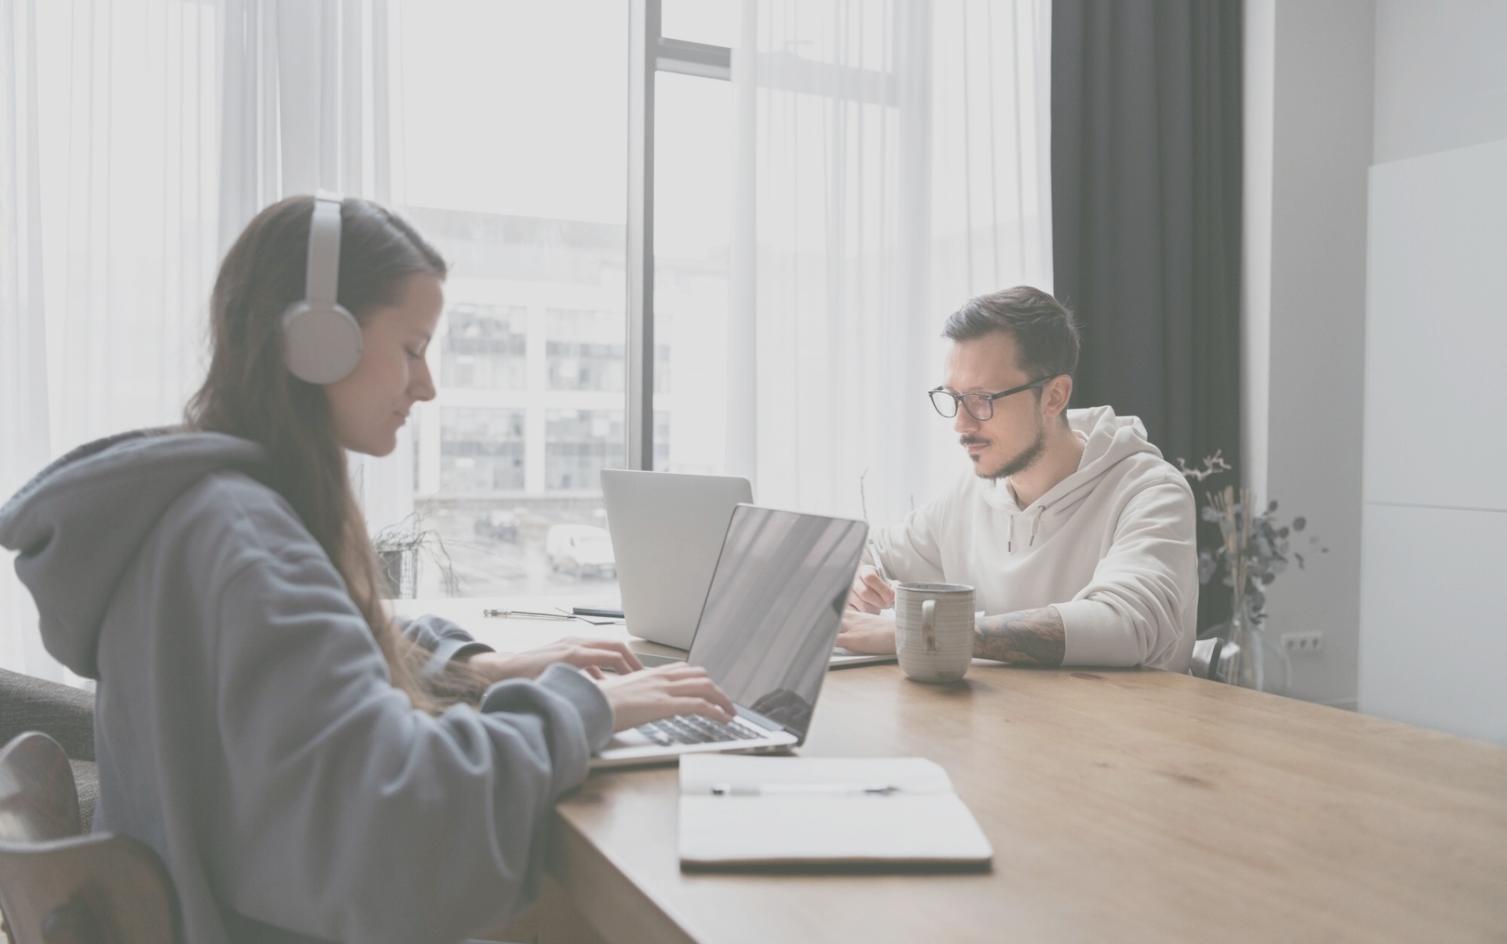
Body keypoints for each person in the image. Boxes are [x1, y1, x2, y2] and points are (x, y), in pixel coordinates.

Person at [0, 195, 734, 943]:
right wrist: (587, 709)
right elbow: (403, 823)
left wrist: (481, 668)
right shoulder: (247, 544)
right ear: (319, 341)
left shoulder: (198, 513)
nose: (427, 385)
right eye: (413, 348)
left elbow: (319, 636)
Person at [837, 286, 1198, 672]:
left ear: (1054, 397)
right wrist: (861, 577)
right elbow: (869, 548)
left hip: (1125, 727)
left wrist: (923, 633)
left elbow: (1126, 625)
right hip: (1005, 724)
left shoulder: (1150, 492)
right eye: (953, 397)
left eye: (982, 399)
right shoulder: (970, 495)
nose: (961, 423)